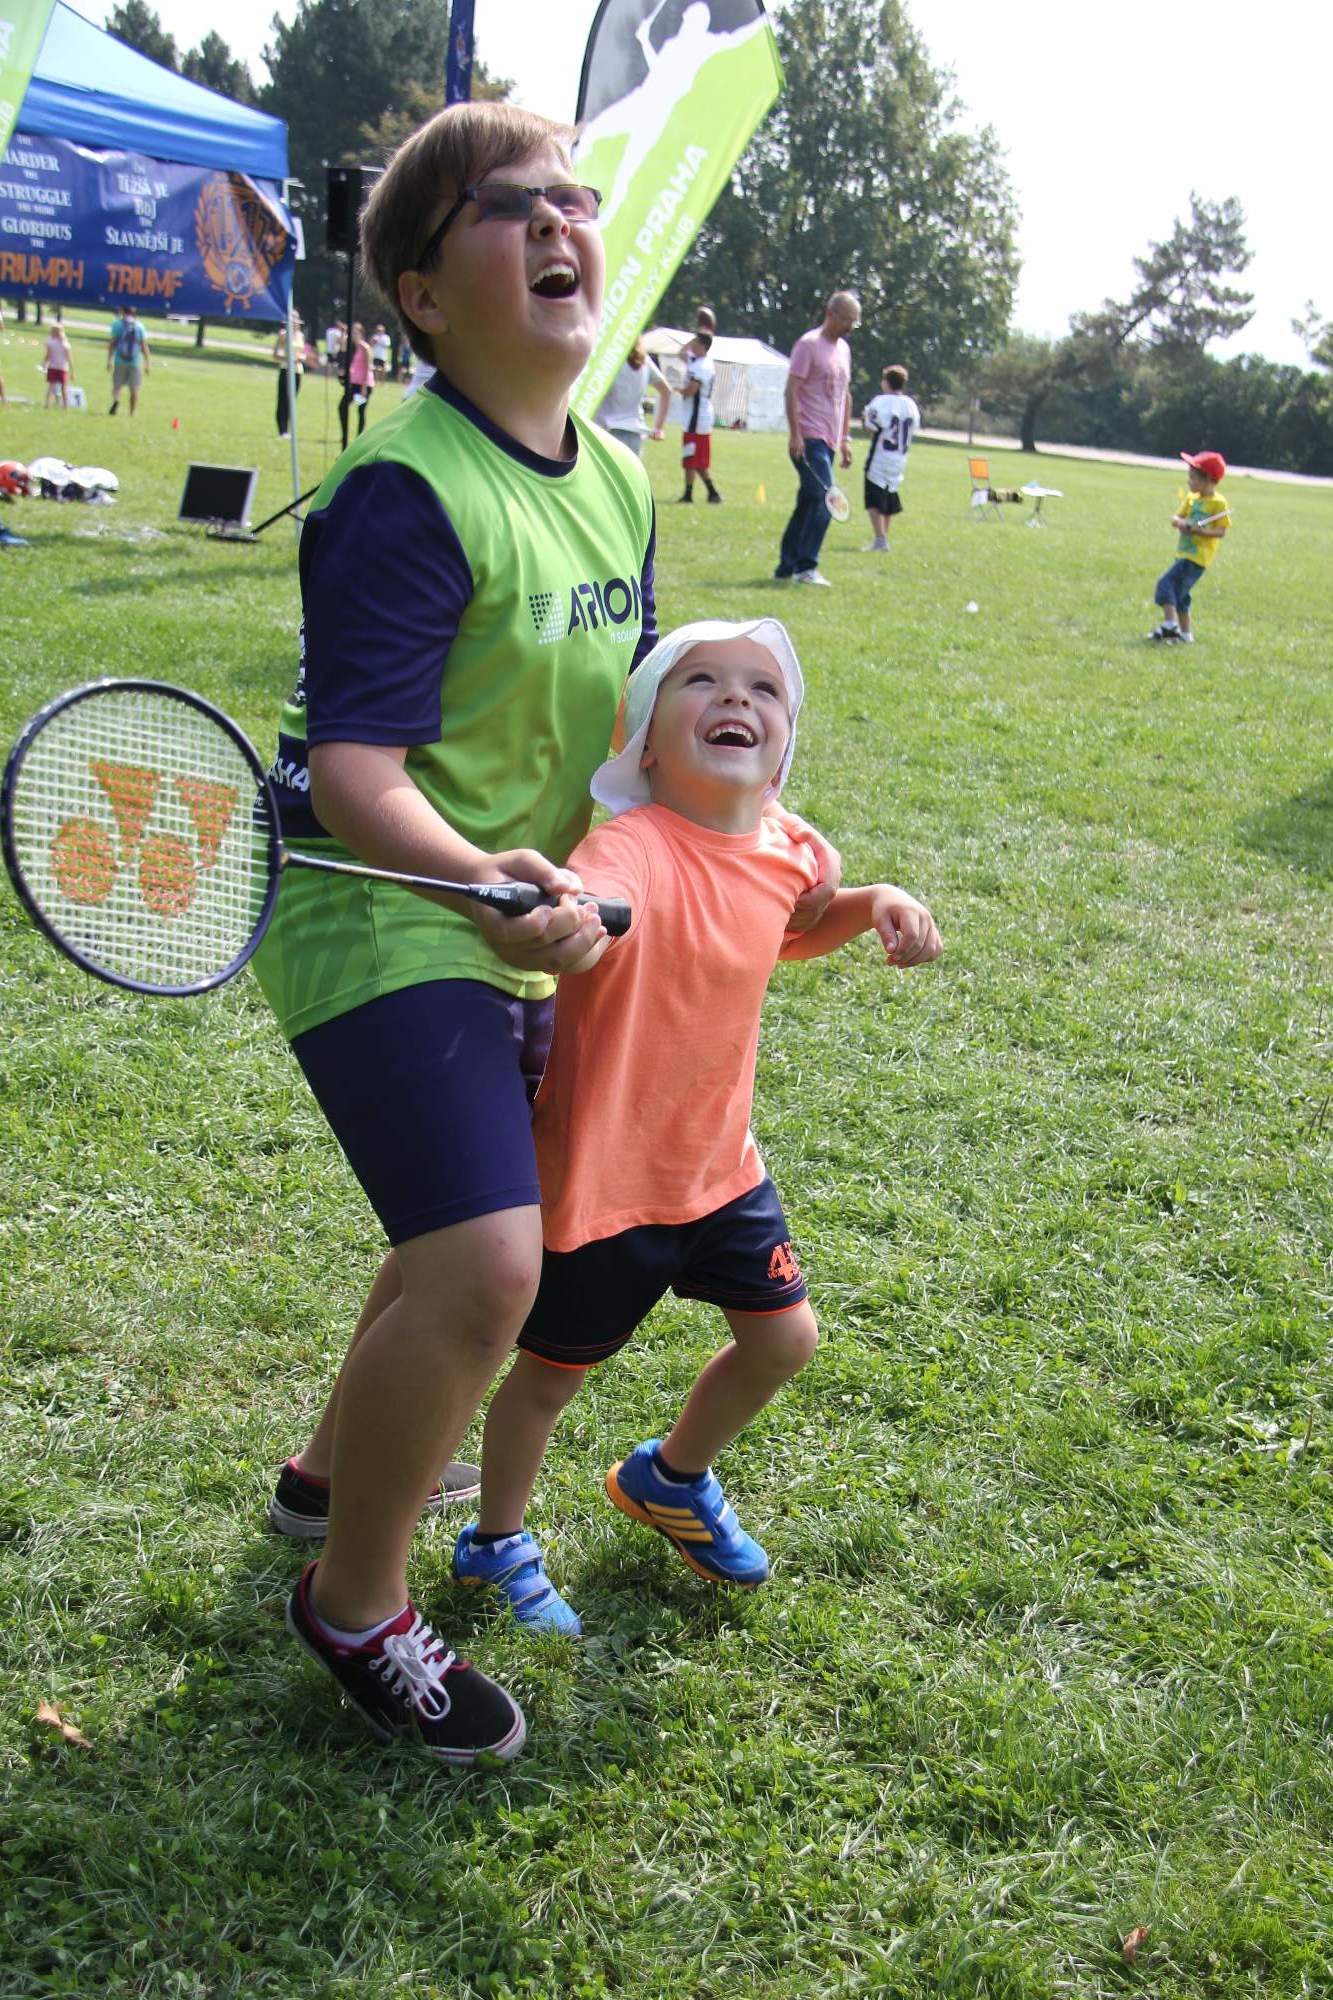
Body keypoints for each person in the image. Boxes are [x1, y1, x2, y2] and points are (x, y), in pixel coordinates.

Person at [251, 100, 668, 1768]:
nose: (563, 223)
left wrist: (691, 829)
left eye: (575, 197)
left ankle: (321, 1479)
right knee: (493, 1263)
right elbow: (355, 775)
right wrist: (484, 881)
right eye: (513, 208)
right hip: (374, 904)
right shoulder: (402, 490)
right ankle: (354, 1604)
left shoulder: (619, 477)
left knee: (458, 1215)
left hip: (519, 914)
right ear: (421, 295)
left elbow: (623, 725)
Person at [451, 618, 941, 1634]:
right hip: (604, 1183)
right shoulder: (625, 848)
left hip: (721, 1168)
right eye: (702, 681)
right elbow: (597, 911)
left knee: (783, 1339)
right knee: (548, 1380)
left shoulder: (787, 850)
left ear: (784, 741)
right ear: (644, 742)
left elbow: (793, 926)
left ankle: (670, 1477)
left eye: (763, 689)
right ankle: (494, 1541)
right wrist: (573, 921)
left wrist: (871, 902)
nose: (735, 699)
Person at [775, 290, 860, 588]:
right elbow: (791, 391)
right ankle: (806, 567)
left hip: (831, 440)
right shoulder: (808, 345)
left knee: (808, 501)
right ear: (830, 314)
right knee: (827, 499)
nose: (850, 327)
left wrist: (845, 437)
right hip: (809, 437)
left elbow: (845, 395)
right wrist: (795, 433)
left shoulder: (844, 350)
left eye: (855, 322)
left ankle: (786, 566)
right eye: (847, 320)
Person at [1149, 450, 1231, 644]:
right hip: (1184, 553)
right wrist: (1181, 523)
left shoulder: (1218, 503)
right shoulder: (1192, 498)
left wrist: (1200, 531)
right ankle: (1186, 635)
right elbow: (1176, 517)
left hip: (1197, 558)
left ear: (1208, 480)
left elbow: (1221, 532)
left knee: (1165, 583)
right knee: (1181, 596)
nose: (1189, 482)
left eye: (1193, 478)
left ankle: (1170, 626)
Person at [861, 363, 919, 552]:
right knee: (889, 497)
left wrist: (864, 419)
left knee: (873, 500)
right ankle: (883, 537)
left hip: (880, 457)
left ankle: (880, 539)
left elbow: (871, 427)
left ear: (886, 382)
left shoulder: (881, 402)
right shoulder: (911, 405)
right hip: (899, 459)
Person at [594, 336, 669, 456]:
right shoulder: (644, 360)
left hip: (605, 430)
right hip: (634, 433)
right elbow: (666, 391)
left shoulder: (607, 358)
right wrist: (658, 428)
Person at [676, 329, 721, 504]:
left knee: (691, 457)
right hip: (693, 418)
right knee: (696, 459)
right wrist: (695, 338)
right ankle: (712, 493)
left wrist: (677, 389)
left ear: (702, 345)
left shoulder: (703, 366)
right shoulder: (696, 361)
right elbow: (681, 352)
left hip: (697, 419)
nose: (692, 345)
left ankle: (689, 495)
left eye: (695, 342)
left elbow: (691, 391)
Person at [107, 305, 150, 417]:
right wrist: (147, 363)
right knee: (134, 389)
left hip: (119, 360)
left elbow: (112, 344)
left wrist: (109, 360)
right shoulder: (139, 326)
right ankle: (132, 413)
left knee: (117, 386)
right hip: (135, 361)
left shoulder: (117, 324)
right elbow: (144, 346)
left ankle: (116, 400)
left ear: (123, 312)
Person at [337, 321, 374, 448]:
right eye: (352, 333)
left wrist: (364, 388)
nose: (353, 335)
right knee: (342, 407)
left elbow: (368, 368)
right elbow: (342, 349)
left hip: (363, 385)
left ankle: (359, 438)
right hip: (354, 384)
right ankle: (344, 435)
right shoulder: (353, 348)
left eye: (355, 333)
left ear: (361, 334)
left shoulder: (365, 348)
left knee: (360, 410)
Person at [273, 315, 305, 438]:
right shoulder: (283, 334)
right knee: (283, 400)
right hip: (286, 369)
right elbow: (276, 354)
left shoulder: (300, 335)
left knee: (291, 401)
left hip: (297, 371)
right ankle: (282, 429)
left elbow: (302, 353)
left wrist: (301, 358)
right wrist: (289, 358)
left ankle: (288, 429)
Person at [43, 316, 74, 409]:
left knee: (51, 386)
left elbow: (48, 355)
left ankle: (47, 404)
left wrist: (44, 364)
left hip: (53, 367)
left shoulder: (50, 343)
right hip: (63, 368)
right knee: (63, 388)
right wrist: (72, 370)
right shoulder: (65, 344)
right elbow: (69, 358)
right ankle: (65, 406)